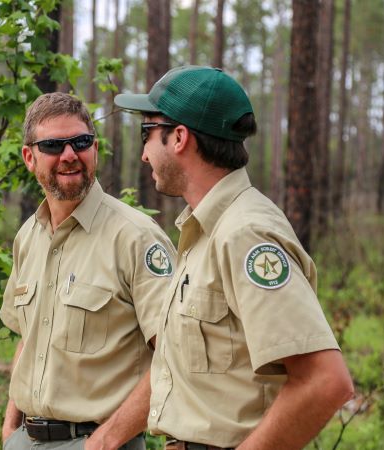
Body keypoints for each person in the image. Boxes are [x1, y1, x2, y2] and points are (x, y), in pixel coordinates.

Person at [115, 65, 355, 450]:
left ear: (178, 138)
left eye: (147, 133)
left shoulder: (244, 233)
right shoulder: (204, 231)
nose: (143, 155)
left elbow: (325, 381)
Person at [0, 92, 176, 450]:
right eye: (53, 145)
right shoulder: (28, 237)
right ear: (29, 158)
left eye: (80, 142)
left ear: (95, 149)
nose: (69, 155)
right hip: (24, 440)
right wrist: (10, 426)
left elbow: (176, 356)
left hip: (99, 442)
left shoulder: (135, 238)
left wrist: (106, 441)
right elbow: (31, 334)